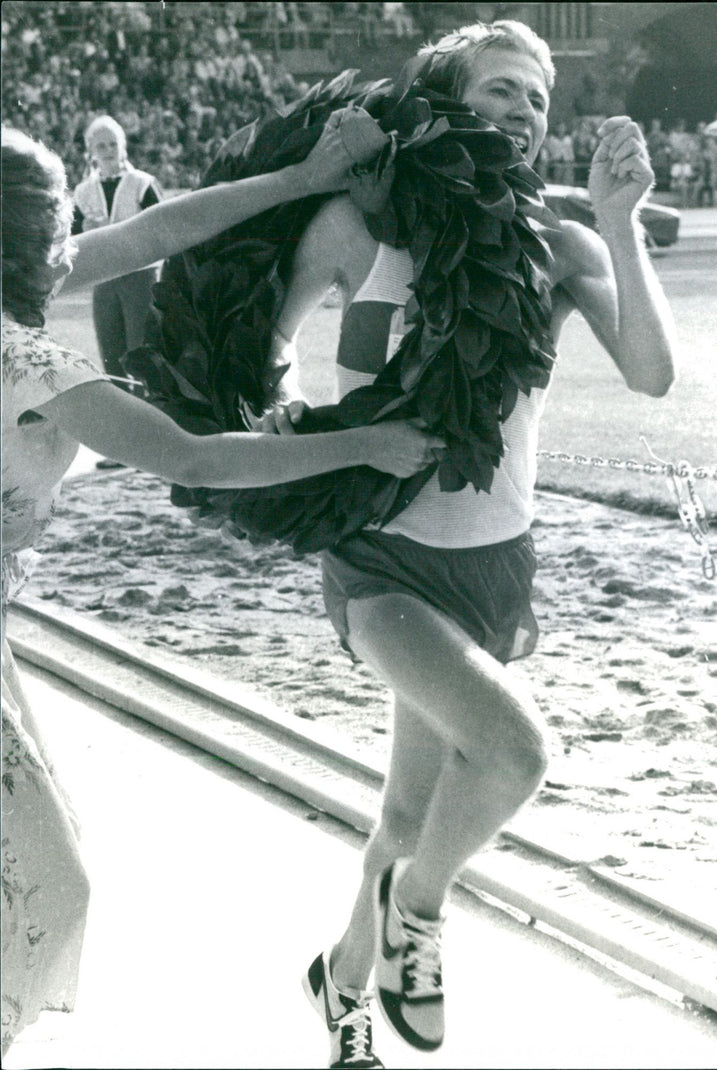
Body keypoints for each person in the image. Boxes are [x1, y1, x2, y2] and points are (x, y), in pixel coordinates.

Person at [269, 20, 675, 1068]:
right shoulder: (361, 224)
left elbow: (650, 373)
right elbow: (268, 339)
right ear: (445, 95)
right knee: (512, 752)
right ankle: (418, 913)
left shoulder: (560, 247)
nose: (520, 111)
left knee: (409, 811)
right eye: (498, 88)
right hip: (379, 559)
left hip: (493, 564)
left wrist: (620, 223)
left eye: (535, 99)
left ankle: (342, 982)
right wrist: (291, 414)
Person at [0, 121, 441, 1058]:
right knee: (47, 884)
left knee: (34, 885)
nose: (72, 245)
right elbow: (194, 458)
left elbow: (161, 234)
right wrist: (364, 442)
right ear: (26, 245)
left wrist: (304, 176)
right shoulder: (25, 359)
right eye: (56, 232)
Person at [72, 116, 162, 406]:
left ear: (123, 146)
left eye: (113, 143)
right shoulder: (83, 191)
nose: (108, 150)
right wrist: (85, 230)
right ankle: (126, 428)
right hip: (104, 280)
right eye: (101, 145)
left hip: (141, 277)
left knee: (143, 353)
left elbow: (164, 231)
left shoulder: (142, 183)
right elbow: (71, 240)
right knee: (112, 355)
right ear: (91, 151)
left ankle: (154, 424)